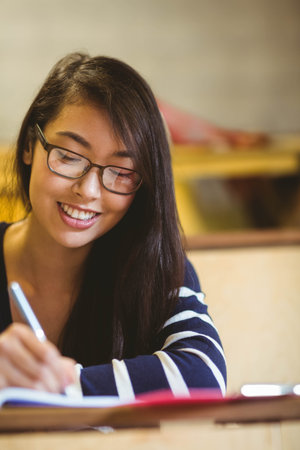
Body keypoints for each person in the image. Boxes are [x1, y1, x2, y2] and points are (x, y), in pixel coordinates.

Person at [0, 53, 226, 399]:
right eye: (69, 156)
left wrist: (62, 385)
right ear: (30, 145)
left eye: (121, 173)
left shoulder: (155, 266)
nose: (88, 191)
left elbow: (204, 375)